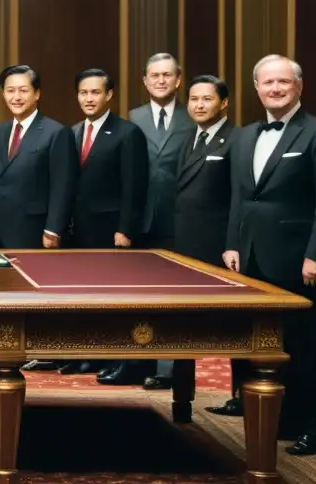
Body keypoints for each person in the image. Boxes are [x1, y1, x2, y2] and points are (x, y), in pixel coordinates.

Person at [224, 55, 316, 456]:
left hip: (303, 262)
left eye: (283, 82)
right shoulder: (245, 135)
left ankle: (315, 427)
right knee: (260, 344)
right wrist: (232, 243)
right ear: (257, 88)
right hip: (253, 258)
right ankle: (275, 419)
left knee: (309, 345)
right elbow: (239, 198)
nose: (275, 89)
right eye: (267, 83)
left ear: (299, 86)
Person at [69, 69, 147, 383]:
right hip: (80, 231)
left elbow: (134, 187)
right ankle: (90, 355)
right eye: (84, 92)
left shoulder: (128, 133)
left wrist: (125, 229)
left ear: (109, 95)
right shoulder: (73, 132)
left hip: (112, 230)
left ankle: (119, 360)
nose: (89, 98)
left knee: (114, 298)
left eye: (96, 92)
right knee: (85, 295)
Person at [127, 52, 194, 389]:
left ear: (178, 80)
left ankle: (170, 369)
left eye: (168, 75)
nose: (161, 80)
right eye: (155, 75)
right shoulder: (133, 117)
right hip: (140, 219)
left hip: (179, 219)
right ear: (145, 80)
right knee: (139, 293)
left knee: (175, 296)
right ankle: (139, 362)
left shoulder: (192, 116)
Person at [170, 75, 239, 402]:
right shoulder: (187, 138)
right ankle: (183, 396)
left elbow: (239, 197)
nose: (198, 105)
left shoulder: (236, 139)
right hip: (183, 246)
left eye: (206, 99)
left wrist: (232, 243)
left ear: (223, 103)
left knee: (236, 328)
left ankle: (242, 395)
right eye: (194, 99)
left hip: (219, 249)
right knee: (182, 327)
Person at [0, 65, 76, 249]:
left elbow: (63, 185)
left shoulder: (56, 132)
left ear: (37, 94)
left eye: (23, 90)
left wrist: (53, 228)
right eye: (10, 90)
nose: (16, 97)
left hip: (35, 229)